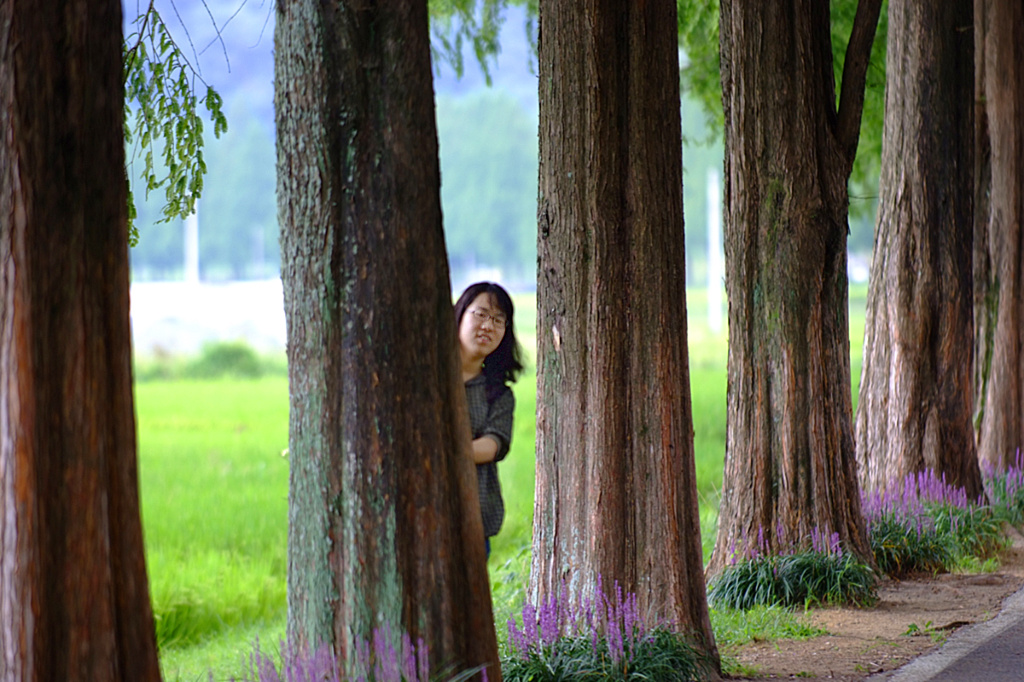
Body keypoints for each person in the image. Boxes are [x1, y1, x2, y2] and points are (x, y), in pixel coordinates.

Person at [454, 282, 524, 557]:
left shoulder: (498, 393)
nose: (488, 325)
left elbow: (495, 444)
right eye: (480, 314)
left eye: (498, 320)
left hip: (473, 524)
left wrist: (444, 451)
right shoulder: (426, 376)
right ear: (460, 314)